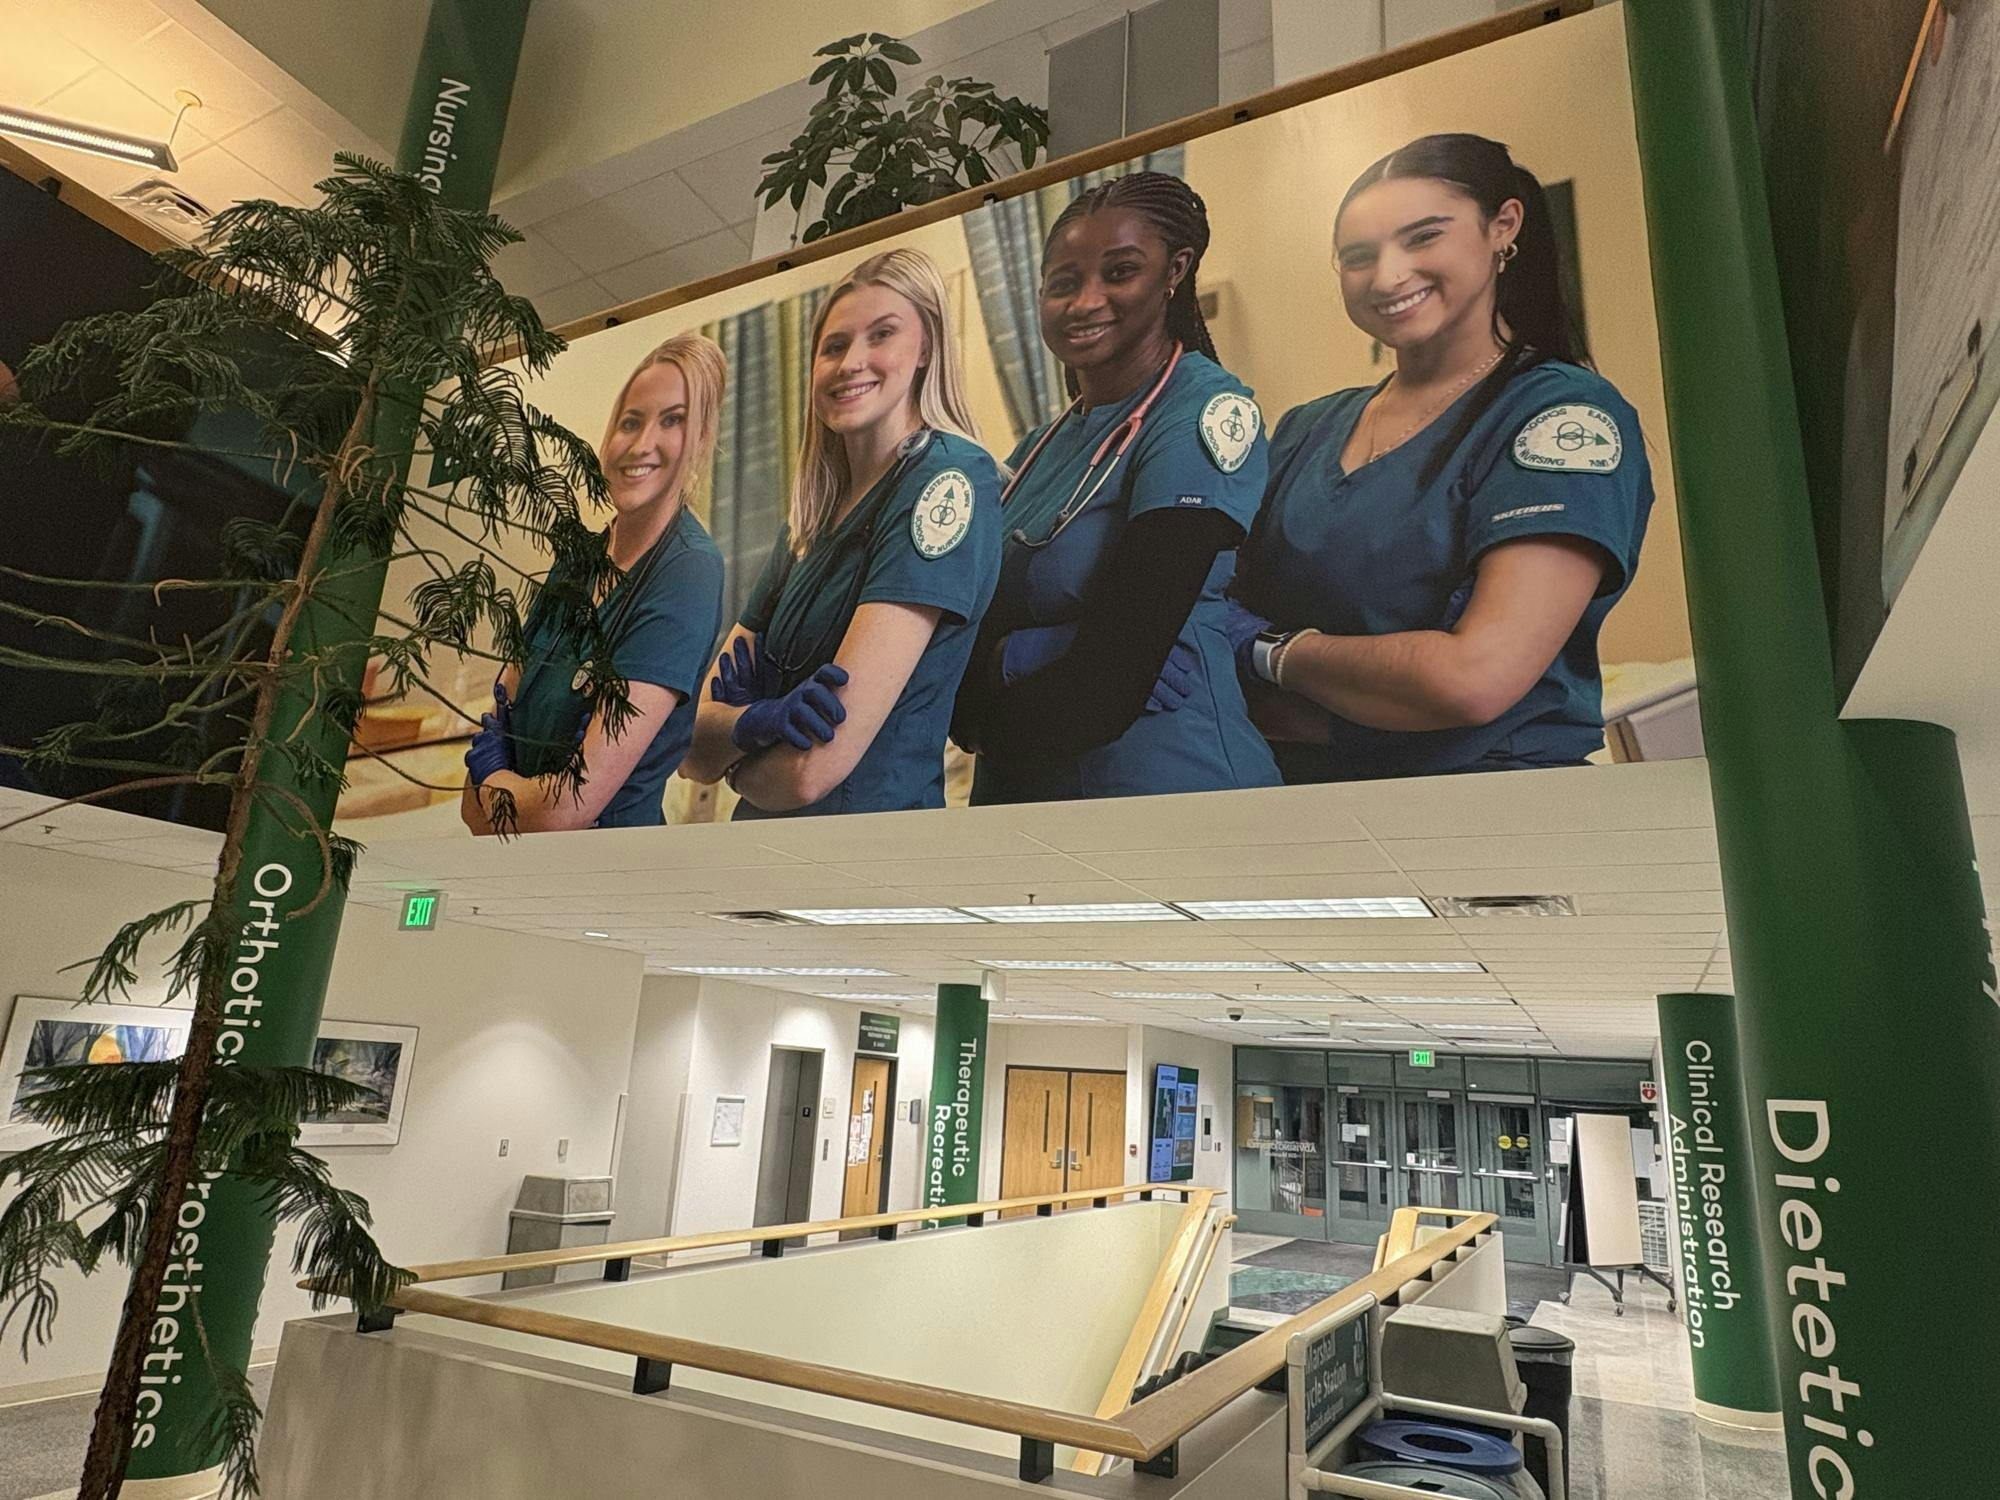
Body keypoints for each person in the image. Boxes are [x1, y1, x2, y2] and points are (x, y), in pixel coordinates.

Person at [1224, 133, 1655, 780]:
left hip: (1483, 815)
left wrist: (1274, 655)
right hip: (1287, 800)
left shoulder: (1561, 418)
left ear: (1502, 228)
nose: (1388, 275)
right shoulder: (1303, 431)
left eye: (1423, 237)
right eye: (1358, 256)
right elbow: (1206, 617)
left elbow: (1475, 678)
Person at [951, 172, 1281, 804]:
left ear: (1174, 272)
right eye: (1064, 283)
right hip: (1023, 804)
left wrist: (973, 709)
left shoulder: (1204, 414)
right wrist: (1013, 658)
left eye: (1120, 272)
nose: (1085, 301)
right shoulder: (1038, 449)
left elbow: (1106, 688)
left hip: (1174, 796)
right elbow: (951, 647)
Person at [682, 248, 1002, 817]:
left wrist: (736, 750)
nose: (852, 362)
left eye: (882, 335)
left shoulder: (946, 480)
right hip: (761, 847)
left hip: (866, 850)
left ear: (926, 348)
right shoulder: (810, 516)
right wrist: (754, 723)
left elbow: (811, 772)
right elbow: (690, 751)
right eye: (834, 346)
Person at [460, 334, 728, 832]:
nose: (642, 443)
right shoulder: (578, 560)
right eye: (631, 421)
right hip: (513, 870)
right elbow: (473, 810)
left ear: (700, 442)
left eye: (672, 421)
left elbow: (563, 811)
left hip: (601, 877)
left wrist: (496, 773)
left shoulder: (687, 571)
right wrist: (518, 791)